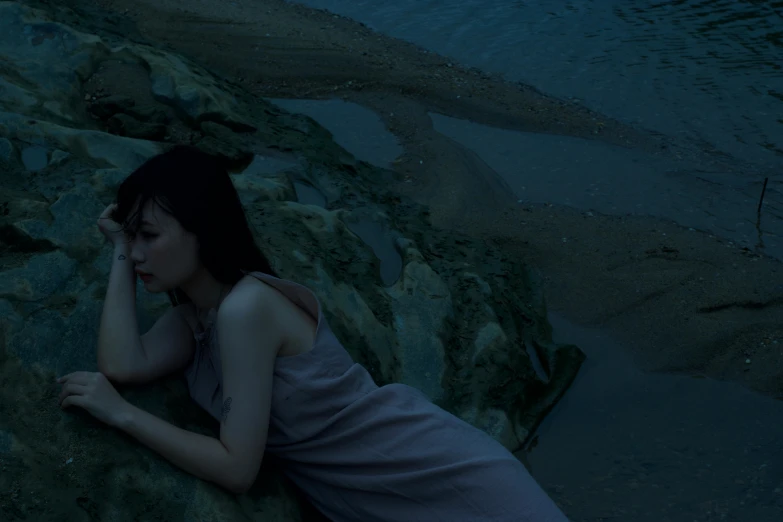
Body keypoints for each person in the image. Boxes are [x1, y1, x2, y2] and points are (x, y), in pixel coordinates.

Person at [57, 145, 570, 521]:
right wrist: (121, 253)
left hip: (442, 478)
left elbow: (237, 468)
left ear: (203, 231)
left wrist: (122, 414)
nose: (140, 250)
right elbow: (121, 365)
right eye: (133, 236)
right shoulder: (196, 319)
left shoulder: (246, 310)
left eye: (149, 236)